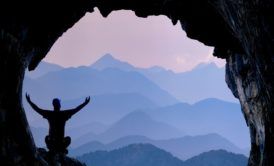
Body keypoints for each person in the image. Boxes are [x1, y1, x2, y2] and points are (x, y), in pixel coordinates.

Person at [26, 93, 90, 154]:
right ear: (59, 105)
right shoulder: (64, 114)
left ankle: (54, 150)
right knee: (68, 139)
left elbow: (37, 109)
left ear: (53, 105)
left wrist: (29, 101)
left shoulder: (49, 114)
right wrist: (85, 103)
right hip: (61, 143)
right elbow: (76, 109)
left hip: (51, 143)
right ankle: (61, 150)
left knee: (46, 138)